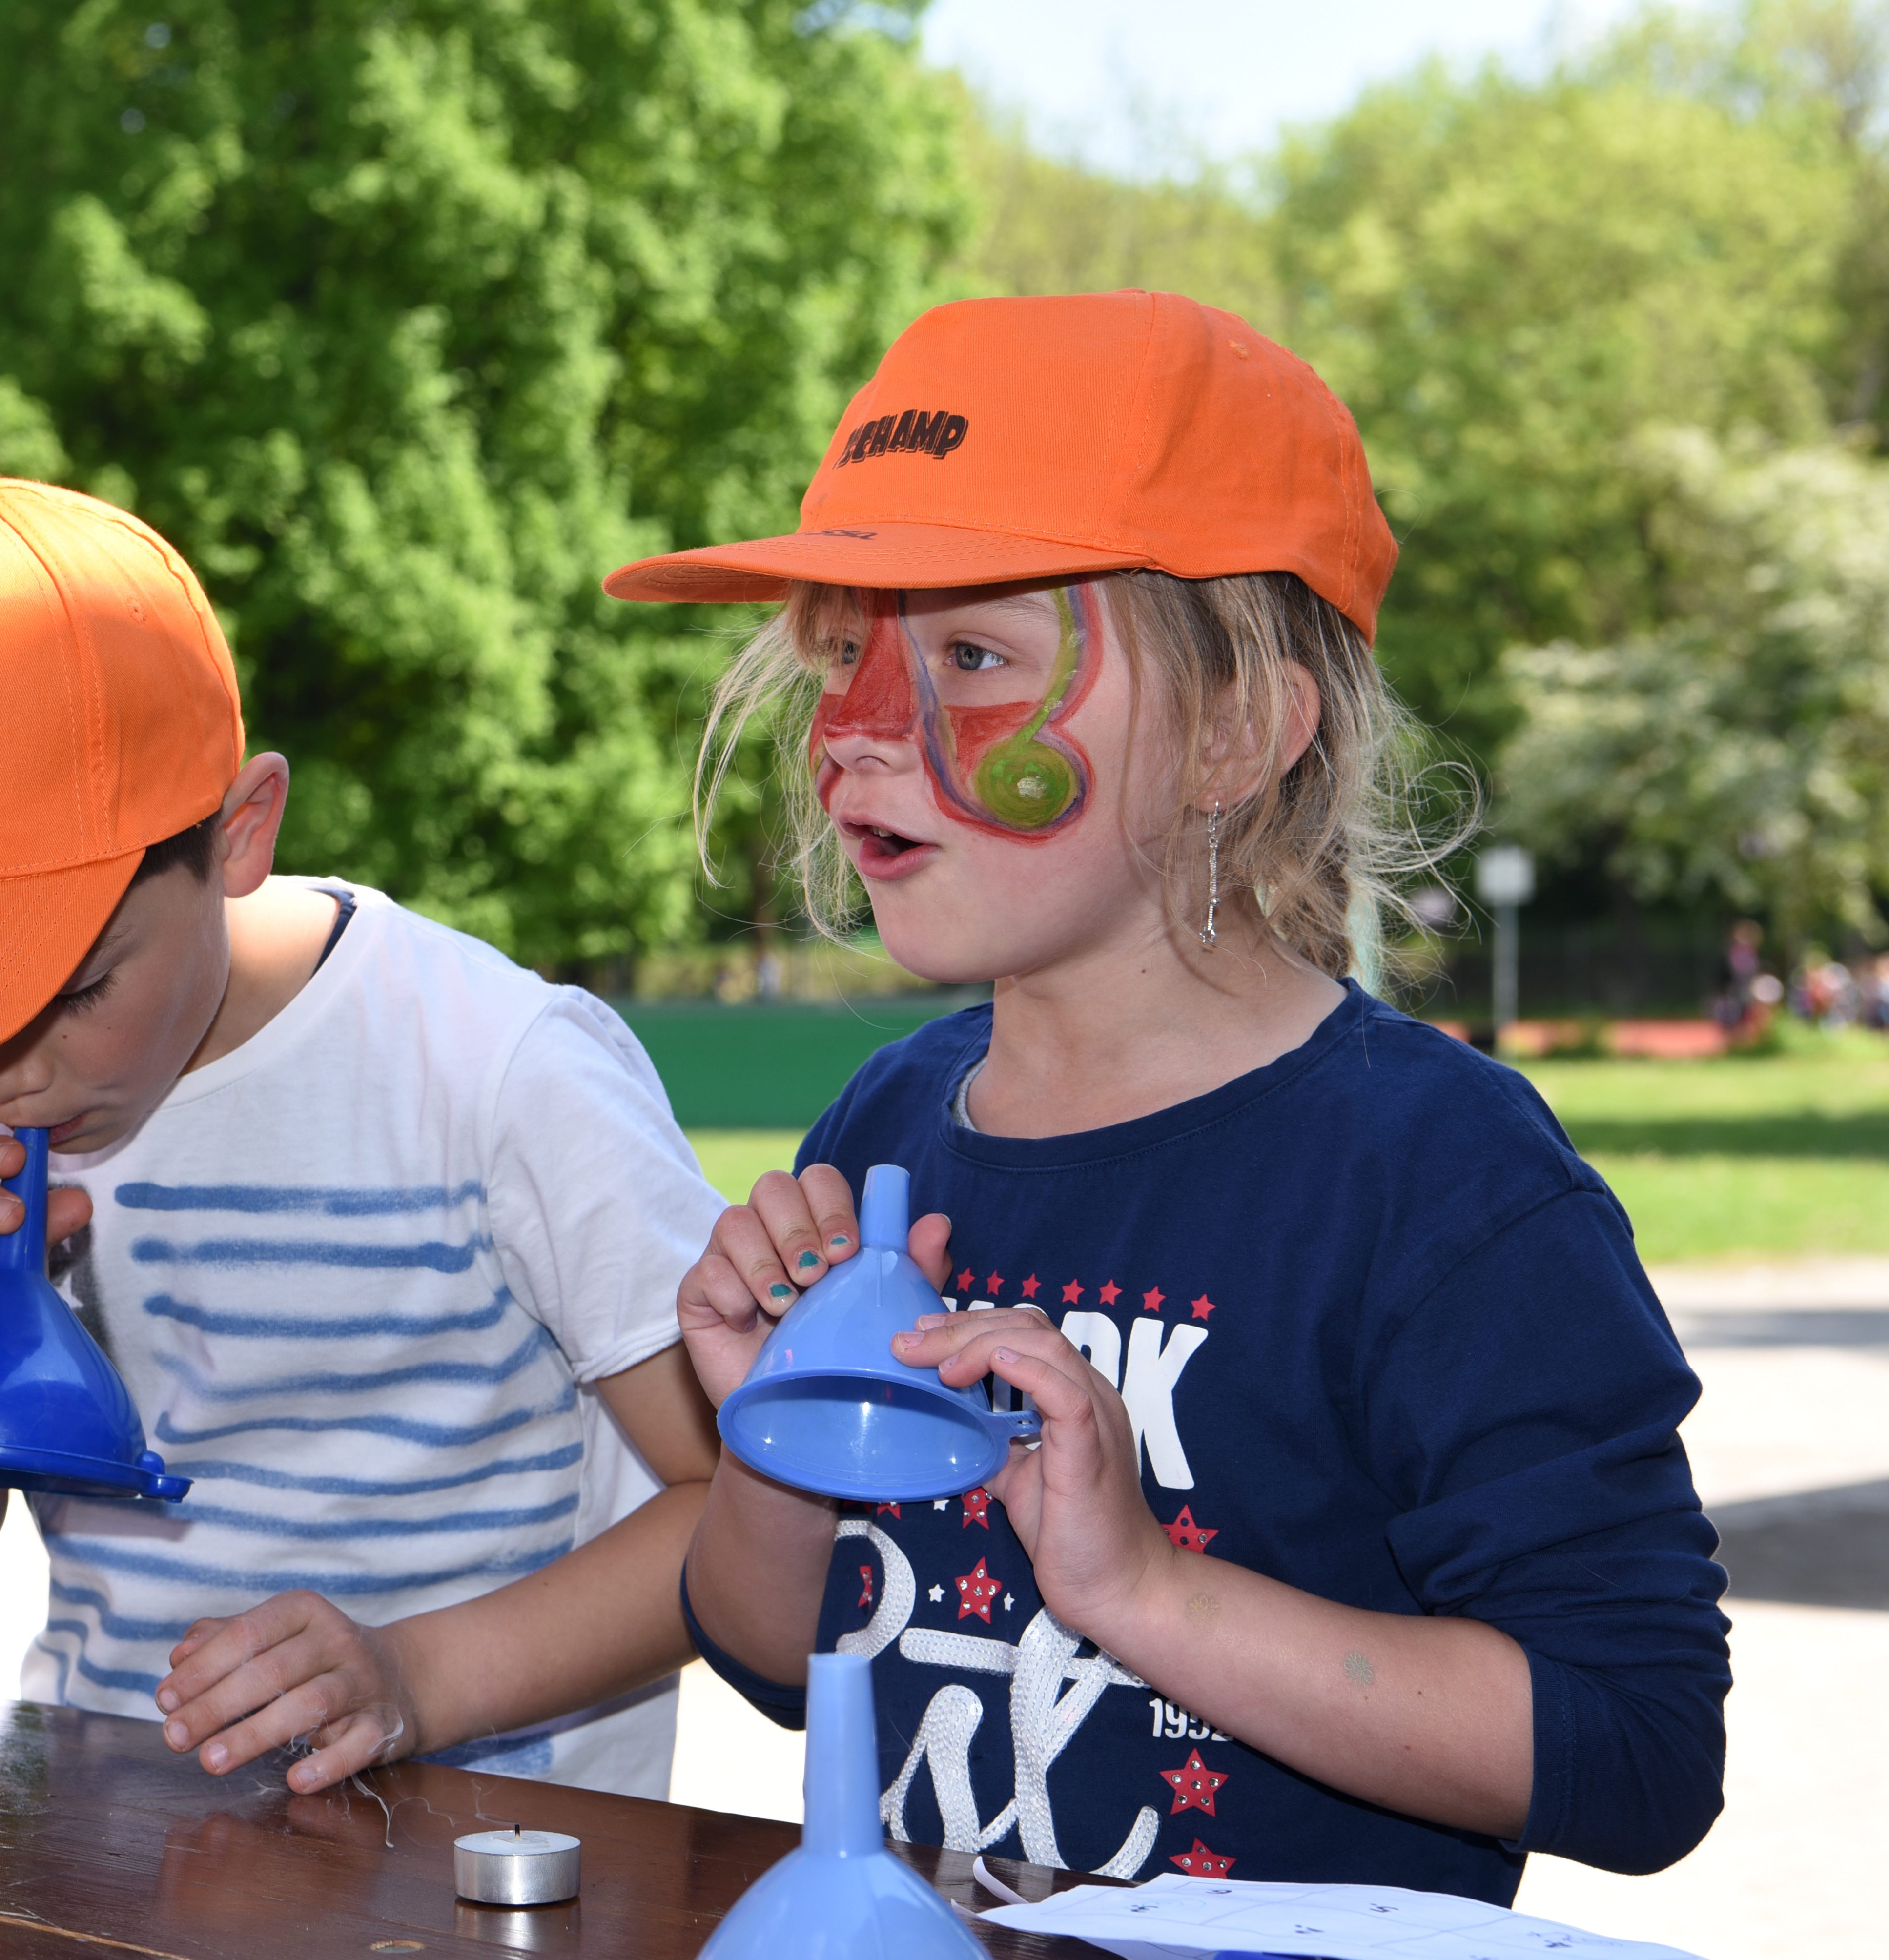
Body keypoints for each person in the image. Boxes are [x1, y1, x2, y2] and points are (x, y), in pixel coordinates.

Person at [620, 291, 1728, 1899]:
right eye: (844, 655)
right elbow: (789, 1659)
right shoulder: (885, 1136)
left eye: (976, 654)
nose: (855, 734)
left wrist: (1143, 1590)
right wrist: (777, 1443)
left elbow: (1639, 1751)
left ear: (1235, 734)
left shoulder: (1440, 1182)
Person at [0, 474, 725, 1798]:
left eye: (70, 989)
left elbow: (746, 1514)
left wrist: (417, 1681)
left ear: (238, 832)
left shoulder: (497, 1072)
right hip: (110, 1854)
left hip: (489, 1870)